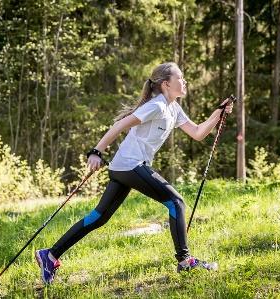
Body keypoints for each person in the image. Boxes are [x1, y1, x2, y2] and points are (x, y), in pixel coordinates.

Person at [35, 62, 233, 284]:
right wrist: (96, 151)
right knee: (176, 202)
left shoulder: (173, 107)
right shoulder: (156, 106)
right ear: (166, 84)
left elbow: (197, 133)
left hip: (124, 167)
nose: (184, 81)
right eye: (180, 78)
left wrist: (218, 112)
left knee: (98, 217)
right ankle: (185, 262)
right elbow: (120, 125)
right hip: (130, 165)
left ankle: (49, 255)